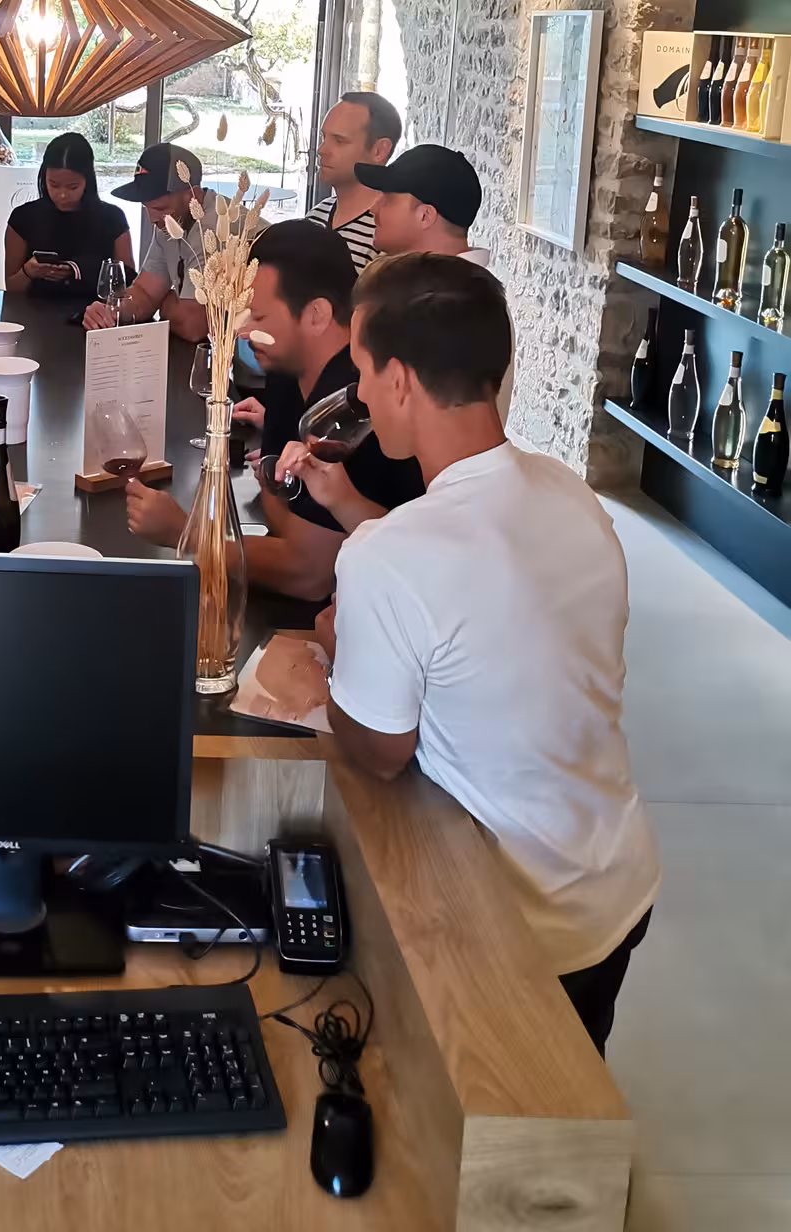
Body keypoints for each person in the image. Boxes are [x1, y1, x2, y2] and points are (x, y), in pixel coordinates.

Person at [279, 255, 660, 1054]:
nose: (360, 391)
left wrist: (335, 644)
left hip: (515, 910)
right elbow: (488, 611)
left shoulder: (395, 556)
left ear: (402, 381)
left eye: (363, 369)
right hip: (614, 877)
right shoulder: (569, 493)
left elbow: (381, 750)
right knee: (574, 1082)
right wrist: (352, 511)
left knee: (502, 1123)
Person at [126, 221, 421, 606]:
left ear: (316, 314)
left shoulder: (358, 401)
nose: (242, 332)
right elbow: (275, 494)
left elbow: (311, 573)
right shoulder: (285, 368)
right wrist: (291, 525)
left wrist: (190, 532)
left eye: (259, 319)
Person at [354, 143, 514, 420]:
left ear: (425, 215)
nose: (373, 207)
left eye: (388, 198)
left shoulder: (458, 307)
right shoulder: (434, 290)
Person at [81, 143, 209, 342]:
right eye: (147, 208)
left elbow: (193, 326)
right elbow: (145, 294)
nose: (152, 219)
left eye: (160, 207)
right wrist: (111, 311)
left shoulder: (212, 230)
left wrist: (164, 301)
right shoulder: (169, 223)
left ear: (195, 196)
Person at [4, 131, 134, 304]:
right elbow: (11, 286)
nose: (62, 195)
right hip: (34, 315)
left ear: (87, 181)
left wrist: (78, 271)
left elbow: (128, 282)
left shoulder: (112, 218)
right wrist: (28, 271)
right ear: (44, 177)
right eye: (54, 185)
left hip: (97, 317)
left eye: (72, 187)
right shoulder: (23, 217)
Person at [307, 91, 402, 273]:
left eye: (339, 140)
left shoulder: (389, 234)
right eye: (324, 137)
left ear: (379, 151)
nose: (322, 149)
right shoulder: (315, 216)